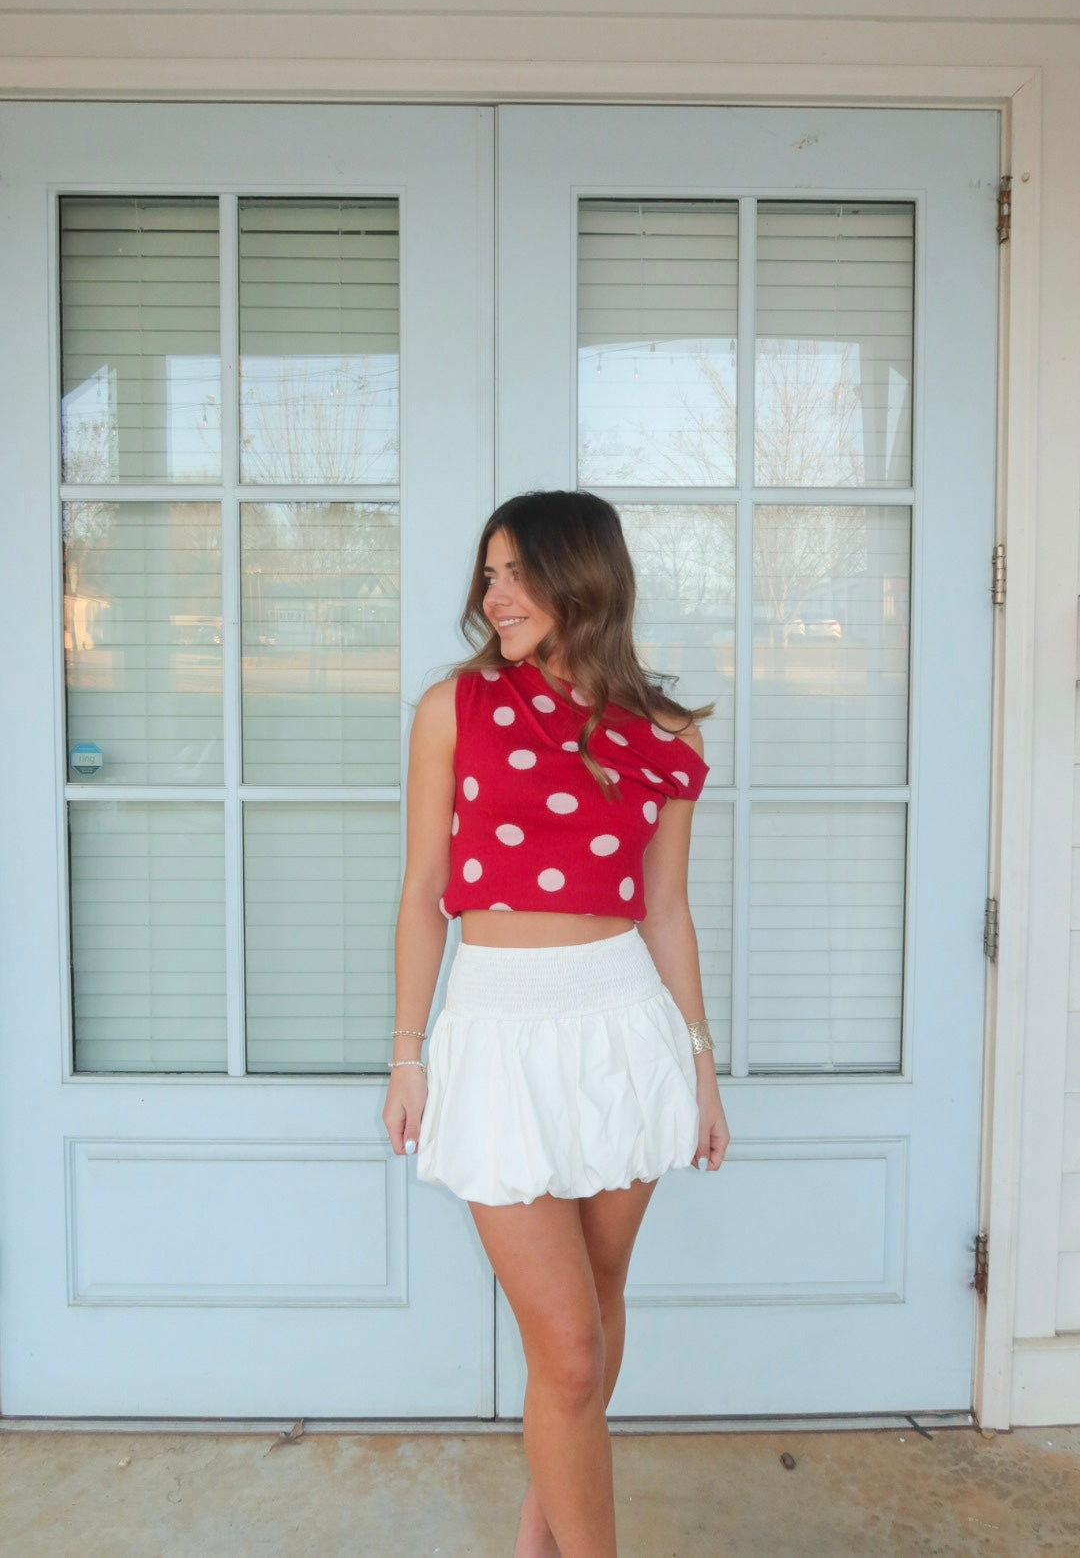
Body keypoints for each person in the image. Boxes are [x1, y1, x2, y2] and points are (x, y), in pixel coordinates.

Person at [382, 489, 730, 1558]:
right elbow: (423, 889)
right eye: (489, 574)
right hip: (496, 1032)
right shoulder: (455, 710)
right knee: (570, 1351)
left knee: (597, 1303)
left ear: (583, 577)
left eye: (518, 572)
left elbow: (665, 911)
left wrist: (701, 1066)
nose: (498, 595)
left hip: (624, 1029)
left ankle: (542, 1529)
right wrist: (406, 1055)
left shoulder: (662, 734)